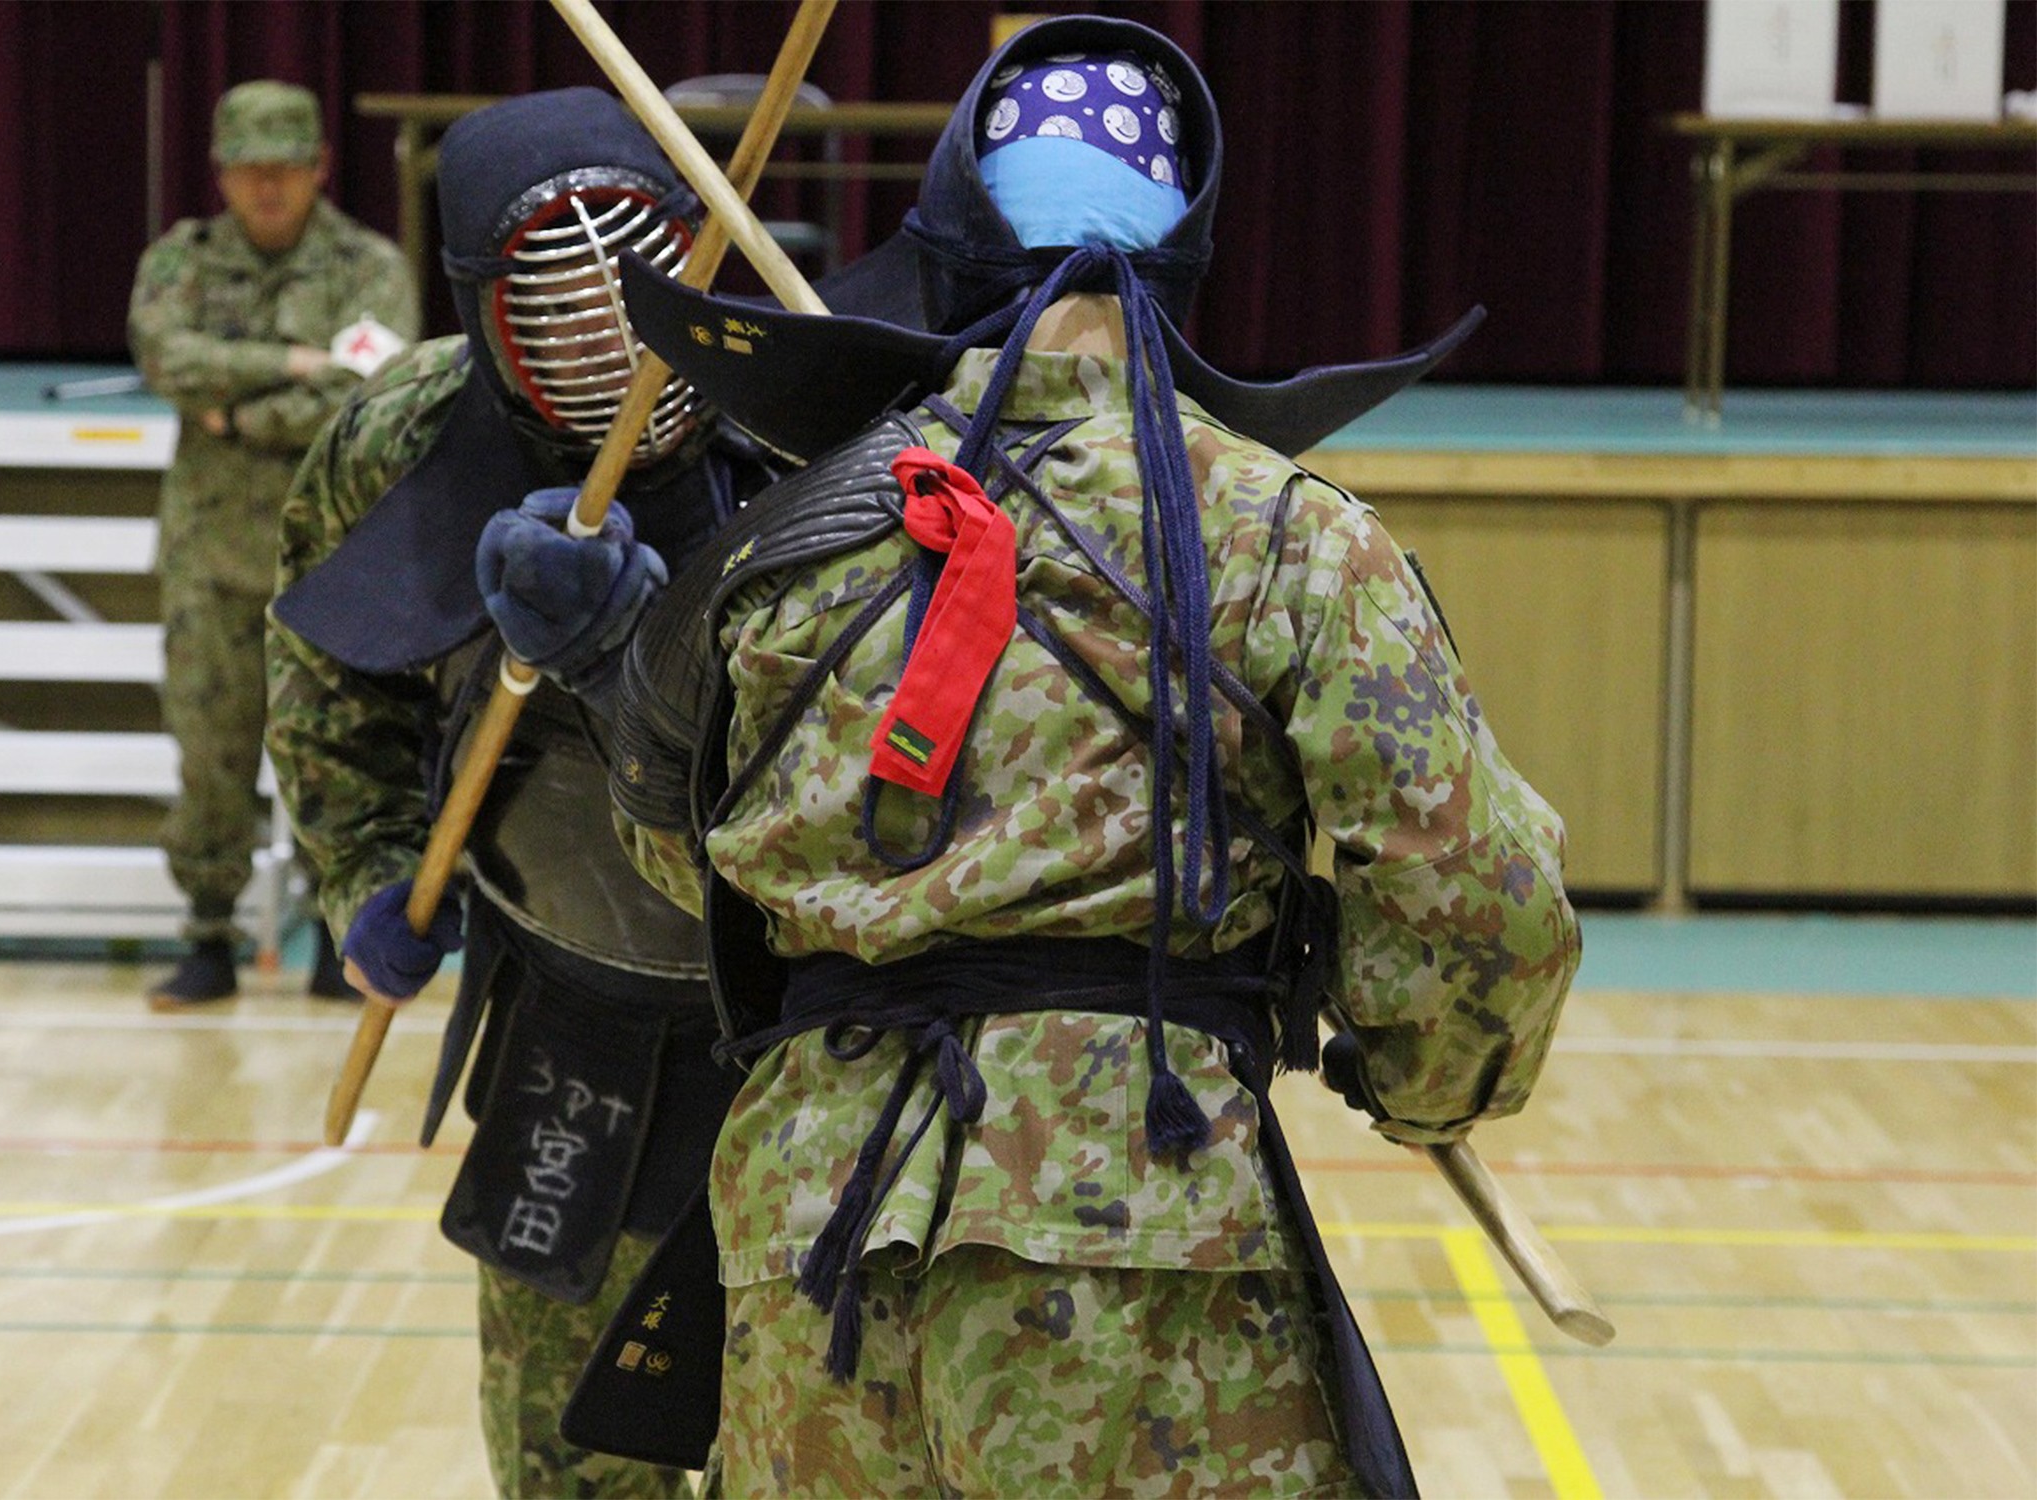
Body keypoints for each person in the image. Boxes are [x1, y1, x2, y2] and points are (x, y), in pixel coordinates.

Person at [506, 15, 1581, 1497]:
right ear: (1181, 273)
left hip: (811, 1235)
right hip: (1138, 1241)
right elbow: (1478, 899)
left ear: (946, 257)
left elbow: (685, 859)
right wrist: (1422, 1085)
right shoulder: (1285, 537)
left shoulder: (789, 541)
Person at [264, 90, 775, 1498]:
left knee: (795, 1446)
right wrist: (369, 870)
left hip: (793, 1030)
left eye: (632, 284)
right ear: (490, 316)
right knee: (570, 1453)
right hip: (566, 1003)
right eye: (554, 308)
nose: (605, 336)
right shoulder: (402, 437)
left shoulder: (808, 415)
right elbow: (324, 673)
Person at [130, 79, 417, 1007]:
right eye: (249, 169)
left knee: (335, 759)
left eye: (284, 169)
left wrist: (238, 414)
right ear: (220, 172)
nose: (267, 188)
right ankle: (208, 936)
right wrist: (294, 362)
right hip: (209, 560)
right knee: (209, 755)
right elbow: (164, 354)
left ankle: (337, 941)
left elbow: (373, 388)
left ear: (319, 167)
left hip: (329, 561)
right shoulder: (182, 260)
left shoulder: (368, 267)